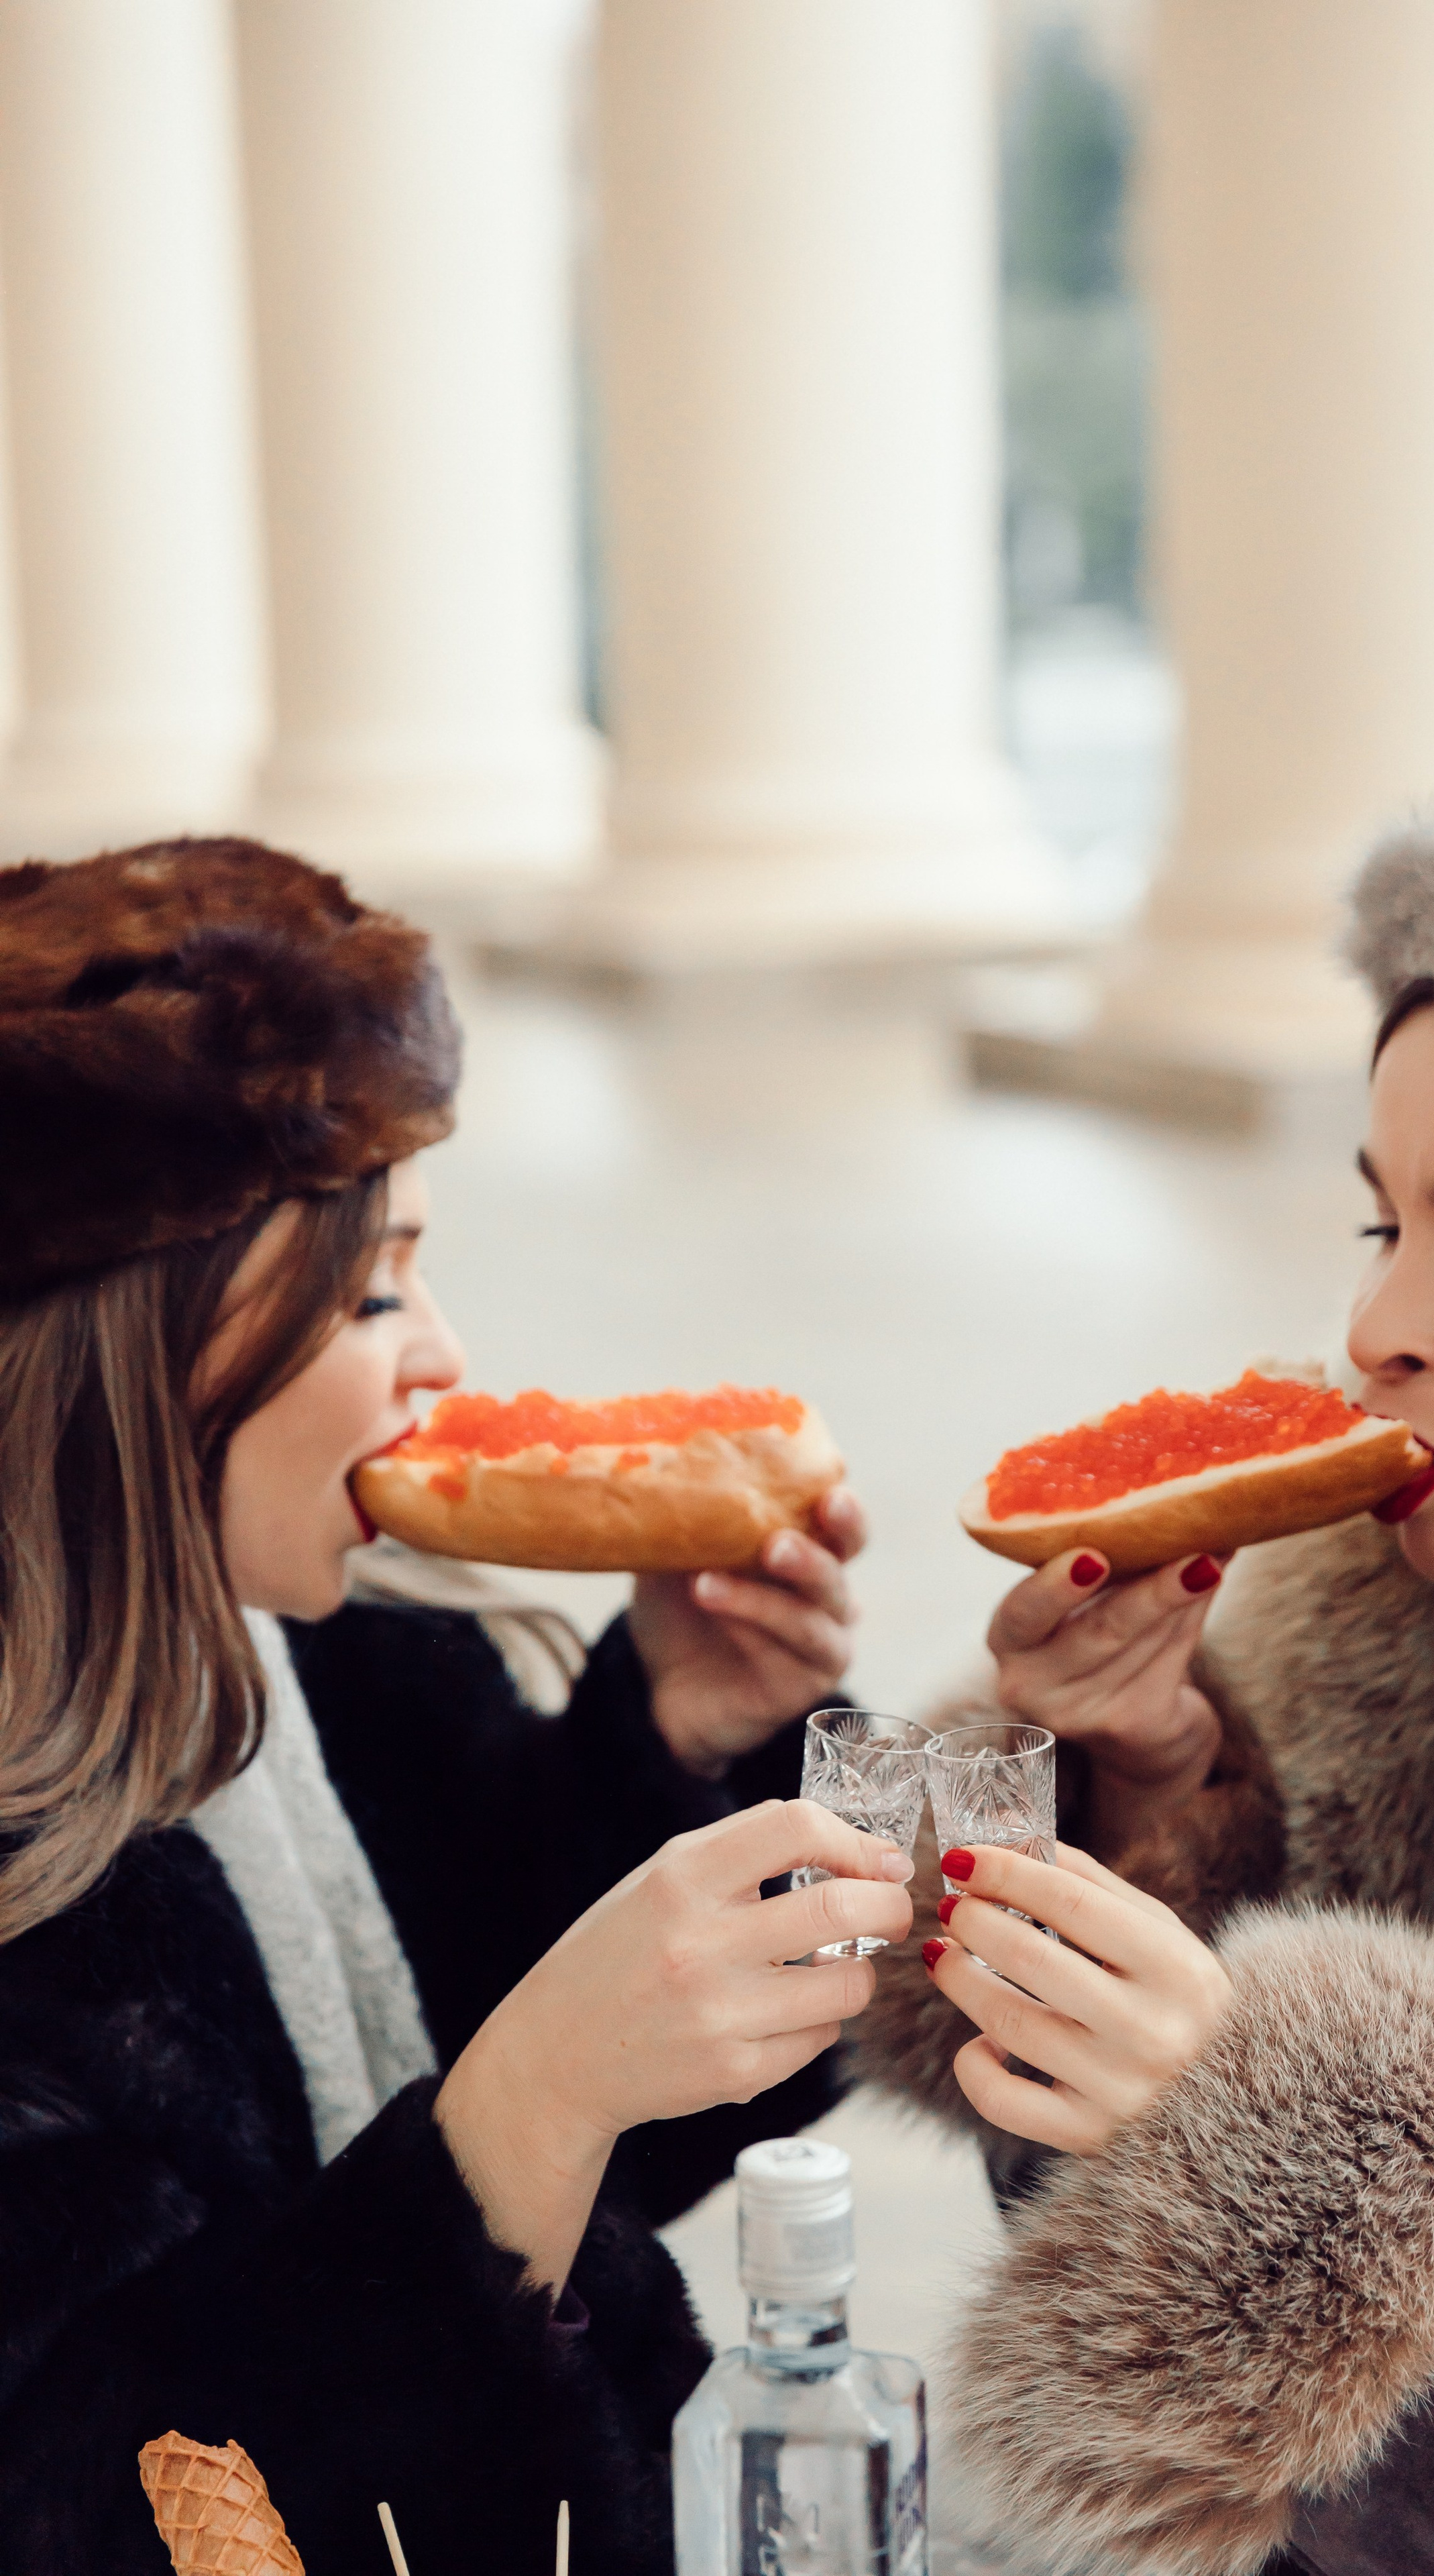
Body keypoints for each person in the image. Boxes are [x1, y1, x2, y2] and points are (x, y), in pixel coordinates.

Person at [854, 700, 1434, 2576]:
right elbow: (1140, 2350)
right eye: (1378, 1222)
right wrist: (1164, 1811)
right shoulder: (1369, 1635)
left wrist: (1279, 2163)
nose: (1380, 1328)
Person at [0, 840, 913, 2575]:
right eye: (372, 1289)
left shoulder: (349, 1662)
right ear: (133, 1341)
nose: (445, 1360)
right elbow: (91, 2502)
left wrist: (674, 1739)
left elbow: (616, 2137)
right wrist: (522, 2109)